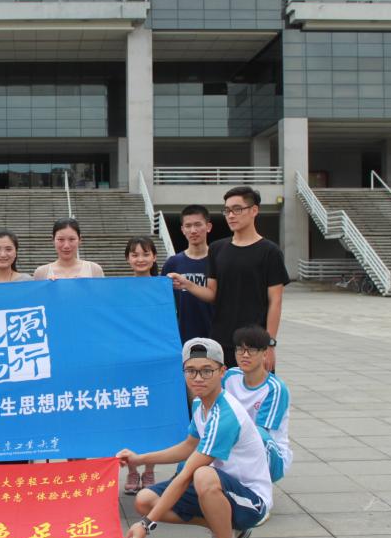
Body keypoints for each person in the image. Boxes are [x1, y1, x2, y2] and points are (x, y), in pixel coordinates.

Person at [116, 338, 271, 538]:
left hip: (251, 500)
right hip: (220, 490)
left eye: (207, 371)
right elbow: (189, 446)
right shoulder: (201, 403)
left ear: (222, 372)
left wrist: (146, 525)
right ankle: (226, 529)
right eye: (191, 371)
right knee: (145, 500)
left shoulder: (225, 415)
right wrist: (140, 459)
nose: (198, 378)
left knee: (202, 474)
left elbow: (187, 474)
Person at [168, 187, 289, 370]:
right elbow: (212, 294)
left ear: (254, 210)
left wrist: (270, 344)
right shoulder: (217, 249)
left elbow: (275, 301)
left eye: (237, 209)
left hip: (254, 343)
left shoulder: (270, 251)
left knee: (255, 388)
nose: (231, 215)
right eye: (227, 210)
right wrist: (187, 284)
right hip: (221, 340)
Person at [223, 325, 291, 483]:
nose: (245, 355)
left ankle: (257, 489)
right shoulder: (230, 377)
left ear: (265, 353)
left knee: (259, 436)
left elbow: (260, 433)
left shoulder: (275, 388)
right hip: (235, 443)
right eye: (240, 349)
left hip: (271, 453)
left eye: (252, 350)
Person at [122, 236, 159, 495]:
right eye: (135, 255)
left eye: (145, 254)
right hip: (128, 361)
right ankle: (132, 470)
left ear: (154, 257)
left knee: (154, 417)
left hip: (155, 362)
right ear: (128, 259)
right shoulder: (120, 288)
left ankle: (150, 470)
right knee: (130, 417)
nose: (140, 259)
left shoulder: (162, 286)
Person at [162, 205, 215, 344]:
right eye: (188, 226)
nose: (193, 230)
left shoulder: (219, 260)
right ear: (182, 229)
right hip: (182, 337)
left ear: (208, 227)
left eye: (198, 225)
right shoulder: (172, 263)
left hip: (216, 335)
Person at [33, 218, 105, 280]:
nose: (66, 246)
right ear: (53, 240)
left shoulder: (94, 270)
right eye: (61, 239)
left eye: (72, 239)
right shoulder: (41, 273)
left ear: (80, 240)